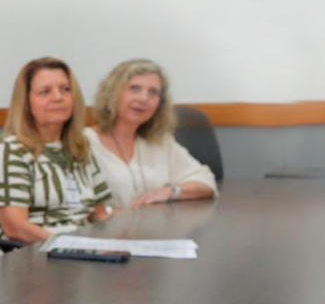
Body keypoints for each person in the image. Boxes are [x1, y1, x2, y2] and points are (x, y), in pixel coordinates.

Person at [1, 57, 113, 244]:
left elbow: (99, 214)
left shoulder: (80, 145)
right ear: (26, 103)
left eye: (65, 89)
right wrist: (71, 245)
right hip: (37, 255)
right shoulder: (11, 150)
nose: (58, 97)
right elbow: (15, 228)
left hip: (85, 249)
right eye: (45, 91)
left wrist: (118, 241)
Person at [85, 59, 218, 209]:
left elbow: (206, 181)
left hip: (154, 230)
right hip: (103, 231)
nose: (143, 99)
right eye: (134, 88)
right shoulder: (83, 142)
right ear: (112, 93)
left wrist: (170, 191)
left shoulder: (159, 143)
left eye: (153, 92)